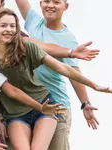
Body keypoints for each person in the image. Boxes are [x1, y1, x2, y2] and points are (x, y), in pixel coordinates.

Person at [0, 8, 112, 150]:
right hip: (15, 114)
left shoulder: (26, 47)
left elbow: (61, 67)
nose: (8, 30)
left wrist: (93, 85)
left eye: (12, 26)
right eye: (3, 26)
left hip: (45, 106)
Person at [15, 0, 101, 149]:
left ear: (65, 7)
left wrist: (85, 103)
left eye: (56, 2)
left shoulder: (67, 38)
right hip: (32, 105)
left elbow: (73, 74)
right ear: (41, 3)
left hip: (57, 106)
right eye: (46, 1)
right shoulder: (34, 21)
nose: (50, 5)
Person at [0, 0, 99, 61]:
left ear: (2, 4)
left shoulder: (9, 34)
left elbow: (39, 46)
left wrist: (71, 52)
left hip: (4, 102)